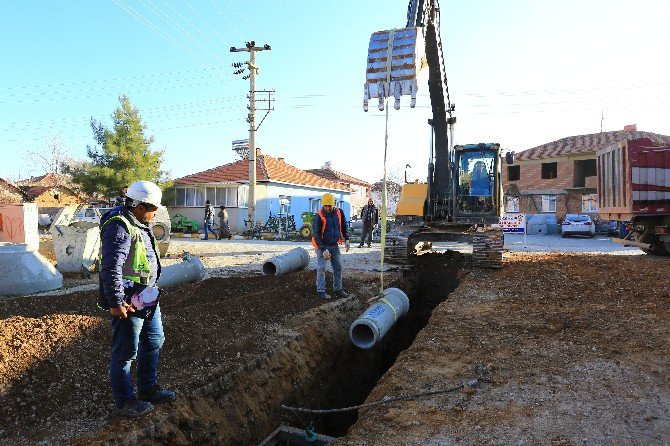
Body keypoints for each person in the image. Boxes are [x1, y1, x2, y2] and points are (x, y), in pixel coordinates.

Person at [98, 180, 176, 418]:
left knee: (154, 339)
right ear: (140, 206)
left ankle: (147, 390)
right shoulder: (120, 226)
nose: (155, 214)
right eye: (153, 209)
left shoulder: (139, 223)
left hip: (146, 297)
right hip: (128, 300)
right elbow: (111, 267)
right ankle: (124, 402)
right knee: (126, 351)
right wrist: (116, 302)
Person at [312, 193, 350, 300]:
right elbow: (316, 234)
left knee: (337, 268)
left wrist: (347, 238)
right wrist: (323, 249)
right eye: (326, 206)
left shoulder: (339, 212)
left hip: (334, 245)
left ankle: (338, 289)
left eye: (330, 205)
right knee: (322, 268)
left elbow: (343, 226)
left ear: (334, 204)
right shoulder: (319, 215)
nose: (328, 208)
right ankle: (321, 291)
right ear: (323, 204)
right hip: (322, 245)